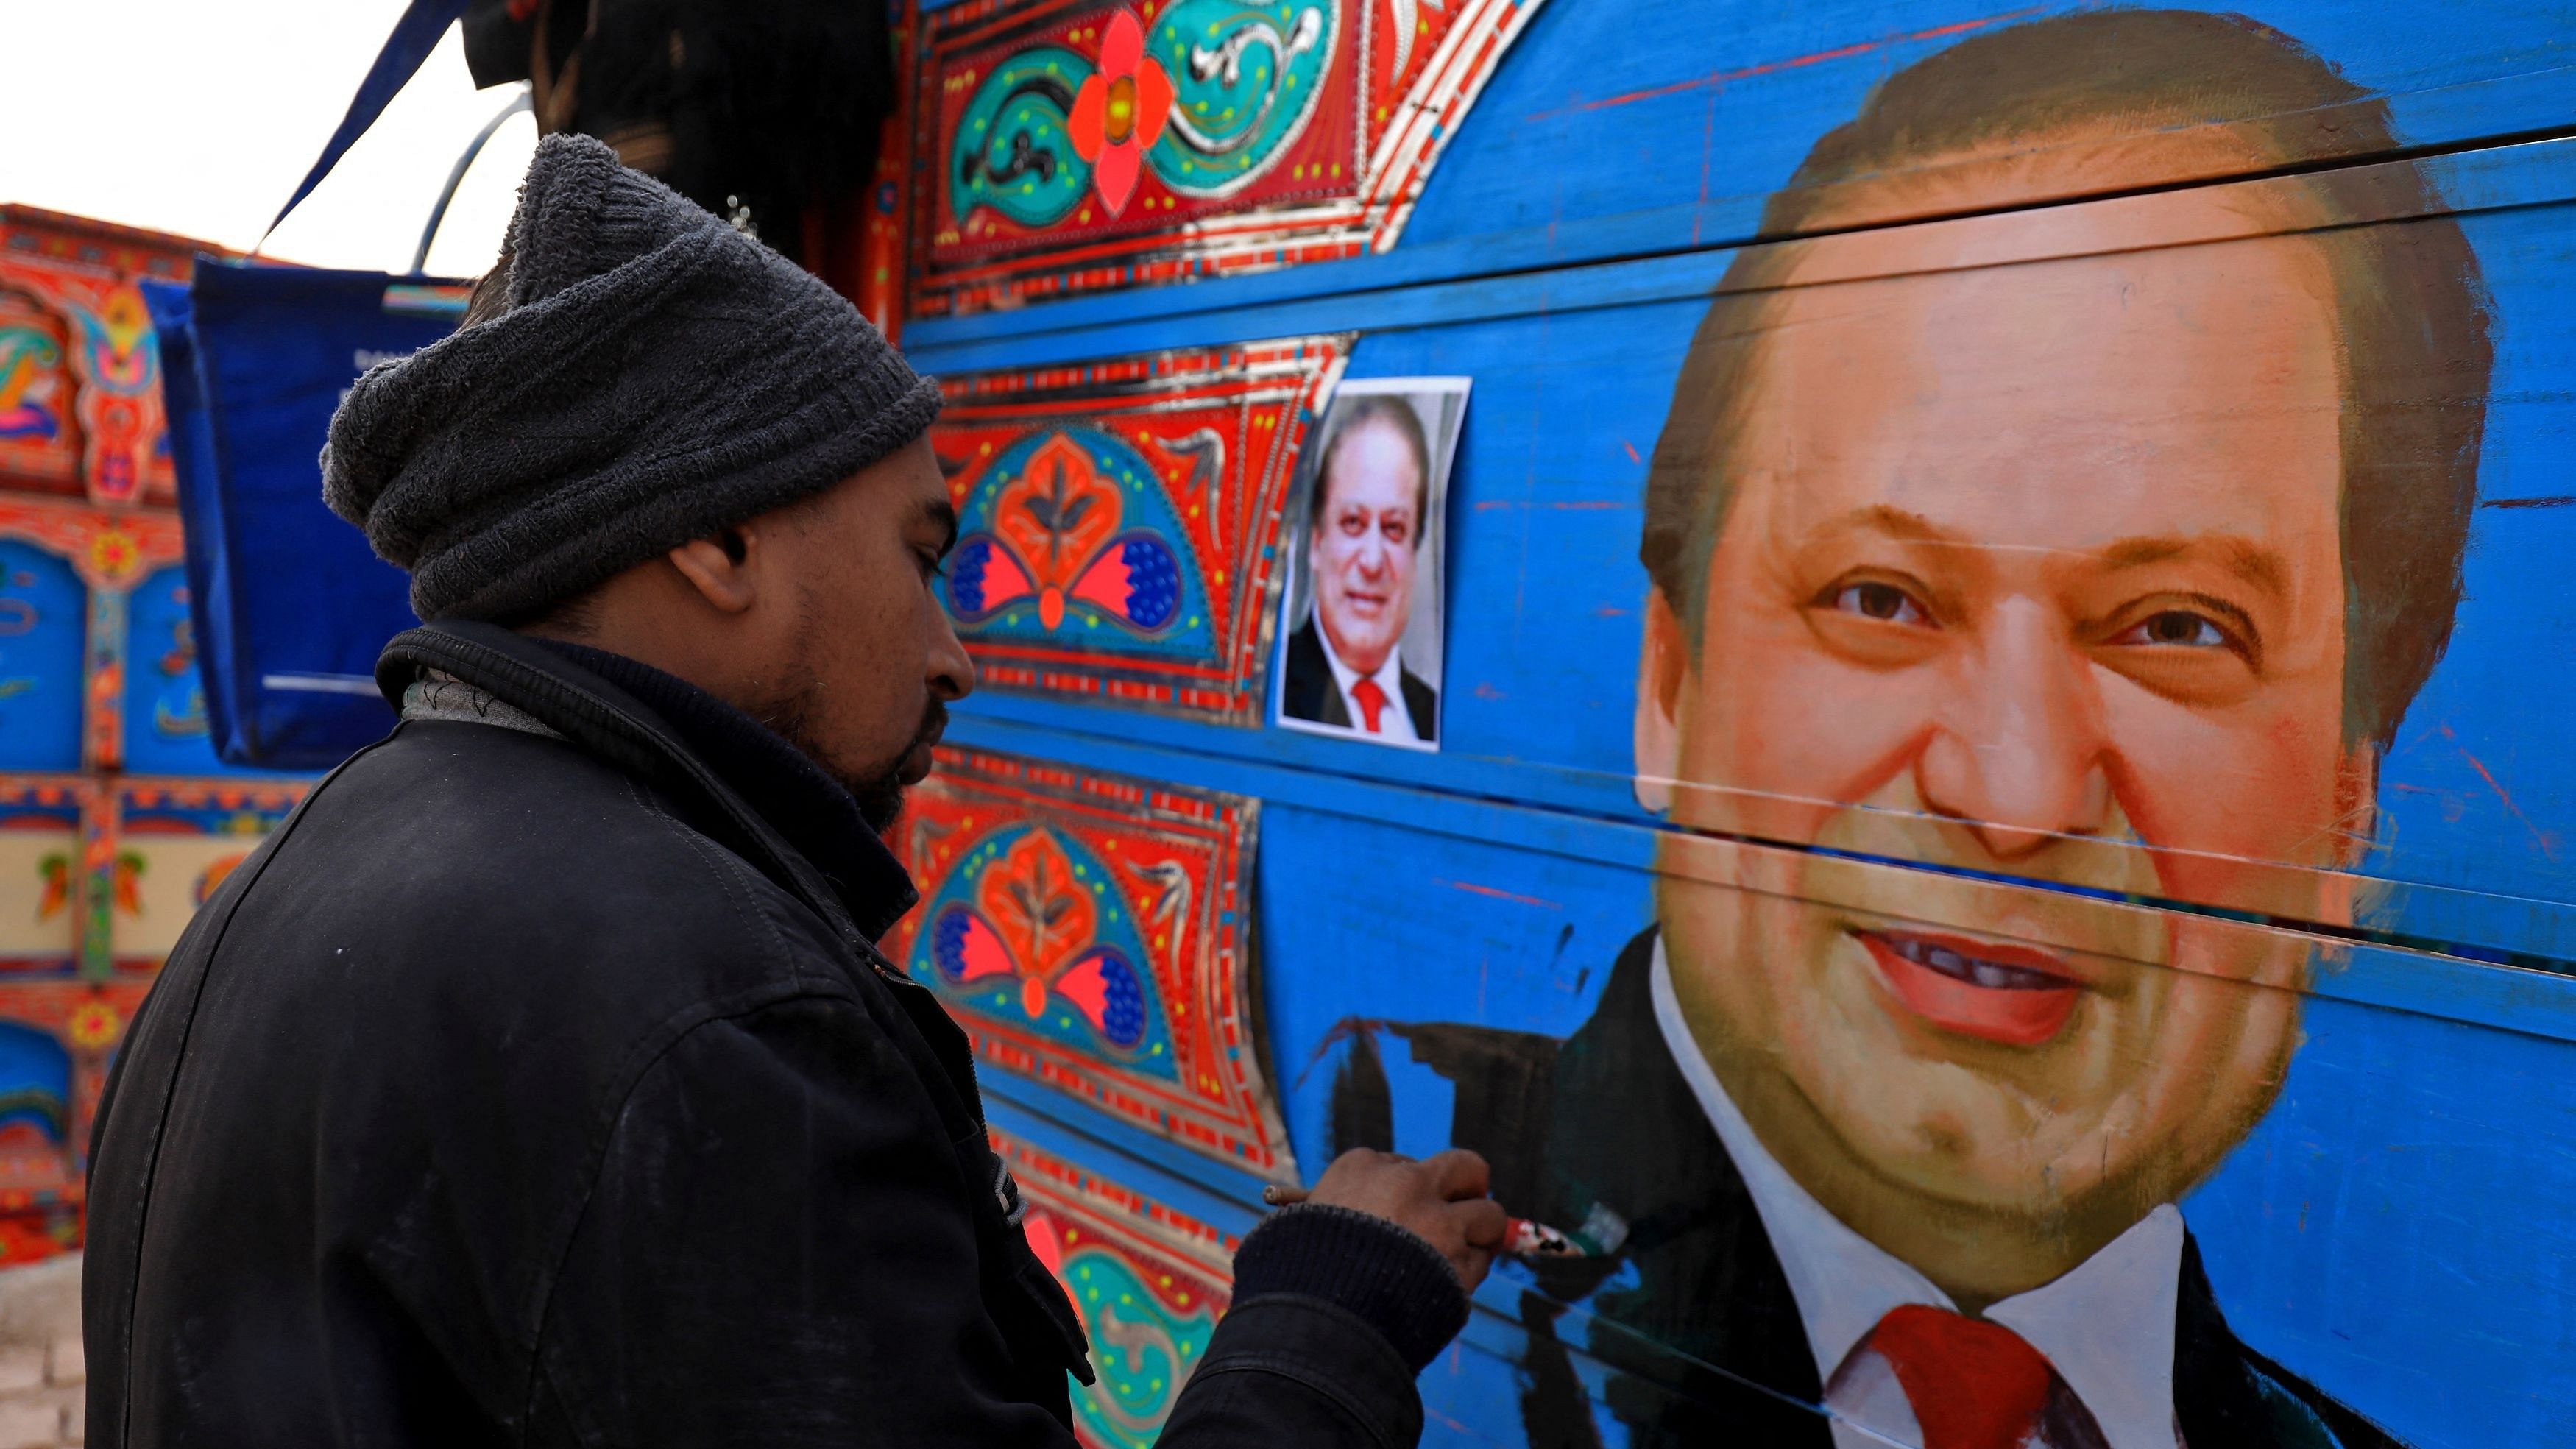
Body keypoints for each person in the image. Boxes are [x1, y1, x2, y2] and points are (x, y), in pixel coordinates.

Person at [82, 134, 1507, 1448]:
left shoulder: (307, 869)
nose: (953, 652)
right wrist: (1333, 1308)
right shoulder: (709, 1016)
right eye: (920, 553)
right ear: (717, 537)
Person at [1331, 11, 2491, 1448]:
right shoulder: (1378, 1223)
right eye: (1878, 598)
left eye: (2176, 627)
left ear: (2343, 808)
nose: (2010, 790)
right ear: (1672, 690)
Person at [1281, 397, 1440, 743]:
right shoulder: (1271, 687)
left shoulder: (1436, 715)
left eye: (1394, 528)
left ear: (1415, 553)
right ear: (1317, 544)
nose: (1371, 562)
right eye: (1353, 523)